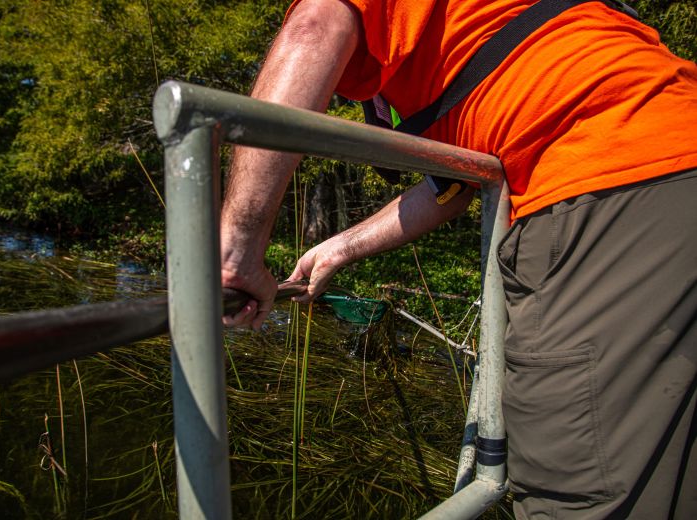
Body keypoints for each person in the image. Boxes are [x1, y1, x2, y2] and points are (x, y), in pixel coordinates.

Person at [219, 0, 697, 517]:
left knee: (579, 478)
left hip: (609, 175)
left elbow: (314, 26)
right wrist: (339, 248)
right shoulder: (476, 33)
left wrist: (237, 250)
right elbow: (451, 189)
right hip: (668, 164)